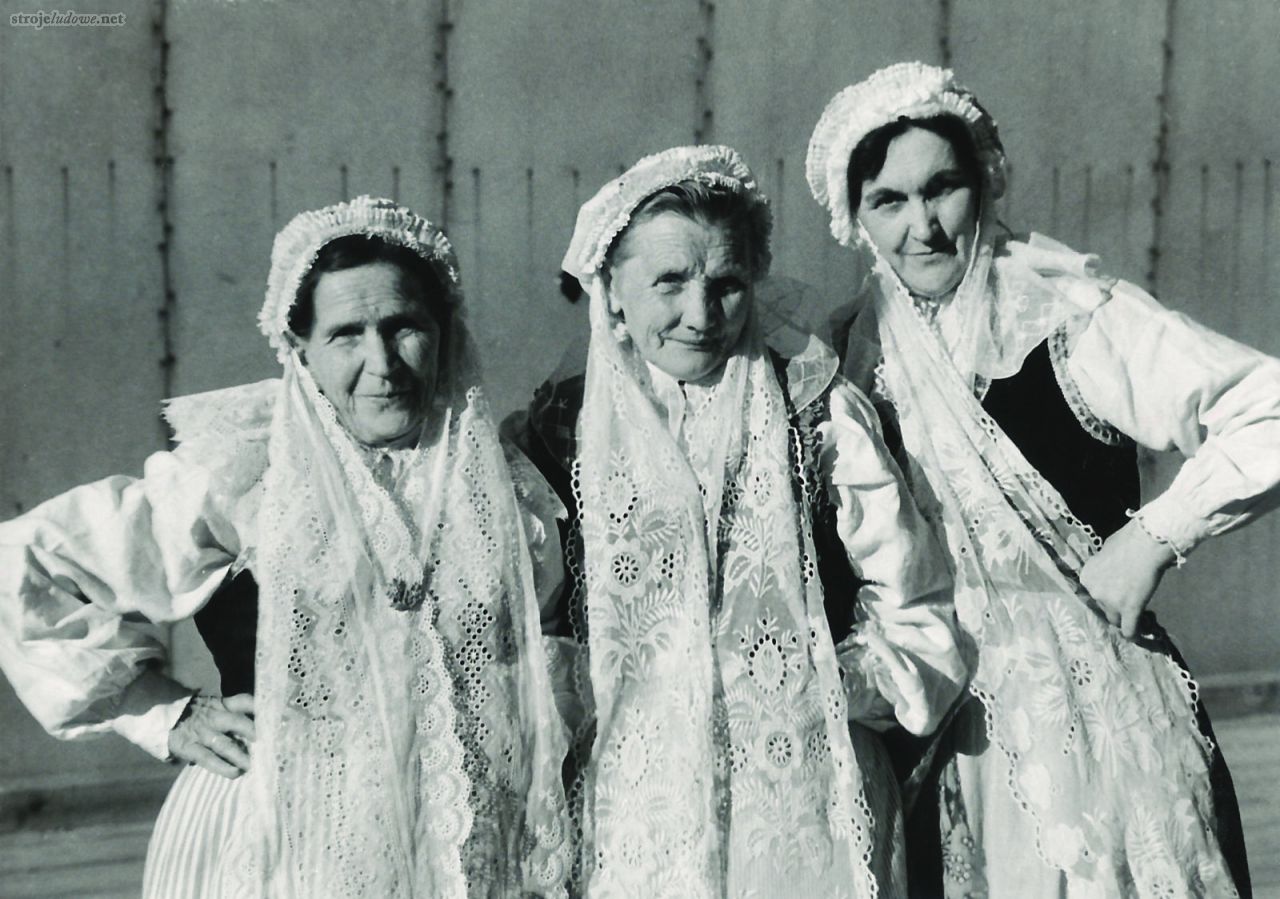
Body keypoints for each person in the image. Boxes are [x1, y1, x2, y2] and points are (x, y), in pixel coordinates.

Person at [0, 196, 572, 897]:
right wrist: (166, 712)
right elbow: (29, 563)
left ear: (445, 333)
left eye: (404, 327)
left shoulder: (496, 483)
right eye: (346, 334)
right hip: (285, 838)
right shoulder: (245, 471)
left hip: (461, 844)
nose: (381, 361)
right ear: (298, 345)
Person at [806, 61, 1280, 897]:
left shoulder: (1067, 314)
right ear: (856, 218)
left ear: (982, 181)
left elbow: (1266, 405)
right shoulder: (846, 353)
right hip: (930, 735)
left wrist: (1154, 537)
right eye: (890, 201)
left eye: (942, 188)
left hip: (1096, 734)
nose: (923, 226)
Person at [512, 145, 968, 896]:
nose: (701, 315)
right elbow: (512, 625)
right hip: (634, 816)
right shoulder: (558, 432)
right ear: (612, 291)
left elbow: (914, 602)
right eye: (670, 282)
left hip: (804, 802)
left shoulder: (817, 412)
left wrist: (815, 682)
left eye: (726, 284)